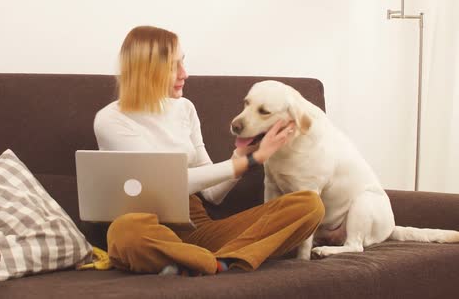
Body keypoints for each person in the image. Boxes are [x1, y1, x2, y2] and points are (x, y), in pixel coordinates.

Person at [93, 25, 325, 276]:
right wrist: (253, 161)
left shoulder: (185, 109)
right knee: (125, 232)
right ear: (147, 69)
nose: (185, 74)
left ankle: (204, 261)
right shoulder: (111, 119)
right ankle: (213, 262)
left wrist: (243, 155)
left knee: (309, 205)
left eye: (184, 62)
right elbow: (165, 185)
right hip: (149, 225)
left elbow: (213, 195)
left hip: (198, 226)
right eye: (174, 66)